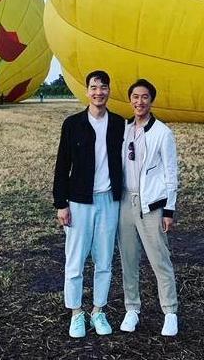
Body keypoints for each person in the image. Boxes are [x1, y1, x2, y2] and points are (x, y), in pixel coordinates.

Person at [52, 70, 124, 338]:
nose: (99, 92)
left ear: (109, 91)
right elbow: (62, 166)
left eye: (103, 87)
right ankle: (76, 314)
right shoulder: (72, 124)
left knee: (104, 259)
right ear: (87, 91)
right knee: (75, 261)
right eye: (94, 87)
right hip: (79, 201)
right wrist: (61, 203)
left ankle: (98, 310)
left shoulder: (118, 124)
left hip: (108, 200)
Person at [118, 78, 179, 337]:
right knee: (128, 260)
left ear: (151, 100)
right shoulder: (123, 129)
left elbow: (170, 173)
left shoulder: (162, 133)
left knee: (159, 261)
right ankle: (132, 309)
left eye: (144, 97)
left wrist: (169, 209)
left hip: (151, 205)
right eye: (135, 97)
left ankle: (170, 312)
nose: (139, 102)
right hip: (124, 203)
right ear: (129, 100)